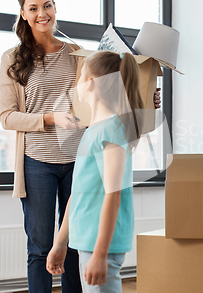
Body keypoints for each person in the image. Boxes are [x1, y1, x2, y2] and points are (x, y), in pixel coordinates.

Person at [0, 0, 160, 293]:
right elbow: (7, 117)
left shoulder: (77, 54)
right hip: (37, 161)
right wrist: (50, 118)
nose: (42, 13)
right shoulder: (12, 59)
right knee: (41, 246)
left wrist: (145, 99)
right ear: (23, 14)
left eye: (47, 5)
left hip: (81, 157)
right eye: (33, 8)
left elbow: (109, 90)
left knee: (77, 241)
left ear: (55, 8)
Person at [46, 50, 142, 293]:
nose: (77, 83)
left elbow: (114, 195)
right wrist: (60, 242)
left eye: (80, 77)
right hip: (87, 239)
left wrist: (100, 254)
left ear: (89, 84)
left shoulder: (112, 131)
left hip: (101, 245)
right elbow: (77, 194)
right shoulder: (93, 131)